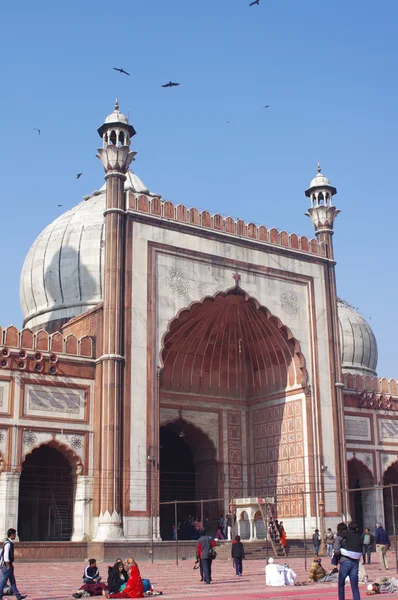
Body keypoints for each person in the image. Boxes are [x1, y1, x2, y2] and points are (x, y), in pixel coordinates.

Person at [334, 521, 361, 600]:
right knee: (355, 586)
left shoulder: (340, 536)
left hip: (345, 561)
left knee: (341, 584)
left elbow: (336, 550)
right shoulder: (356, 535)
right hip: (355, 561)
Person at [0, 528, 27, 600]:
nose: (15, 535)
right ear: (11, 535)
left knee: (12, 581)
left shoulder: (9, 543)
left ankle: (18, 596)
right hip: (7, 566)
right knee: (3, 582)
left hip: (9, 565)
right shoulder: (8, 544)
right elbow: (5, 556)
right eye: (15, 534)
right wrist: (8, 565)